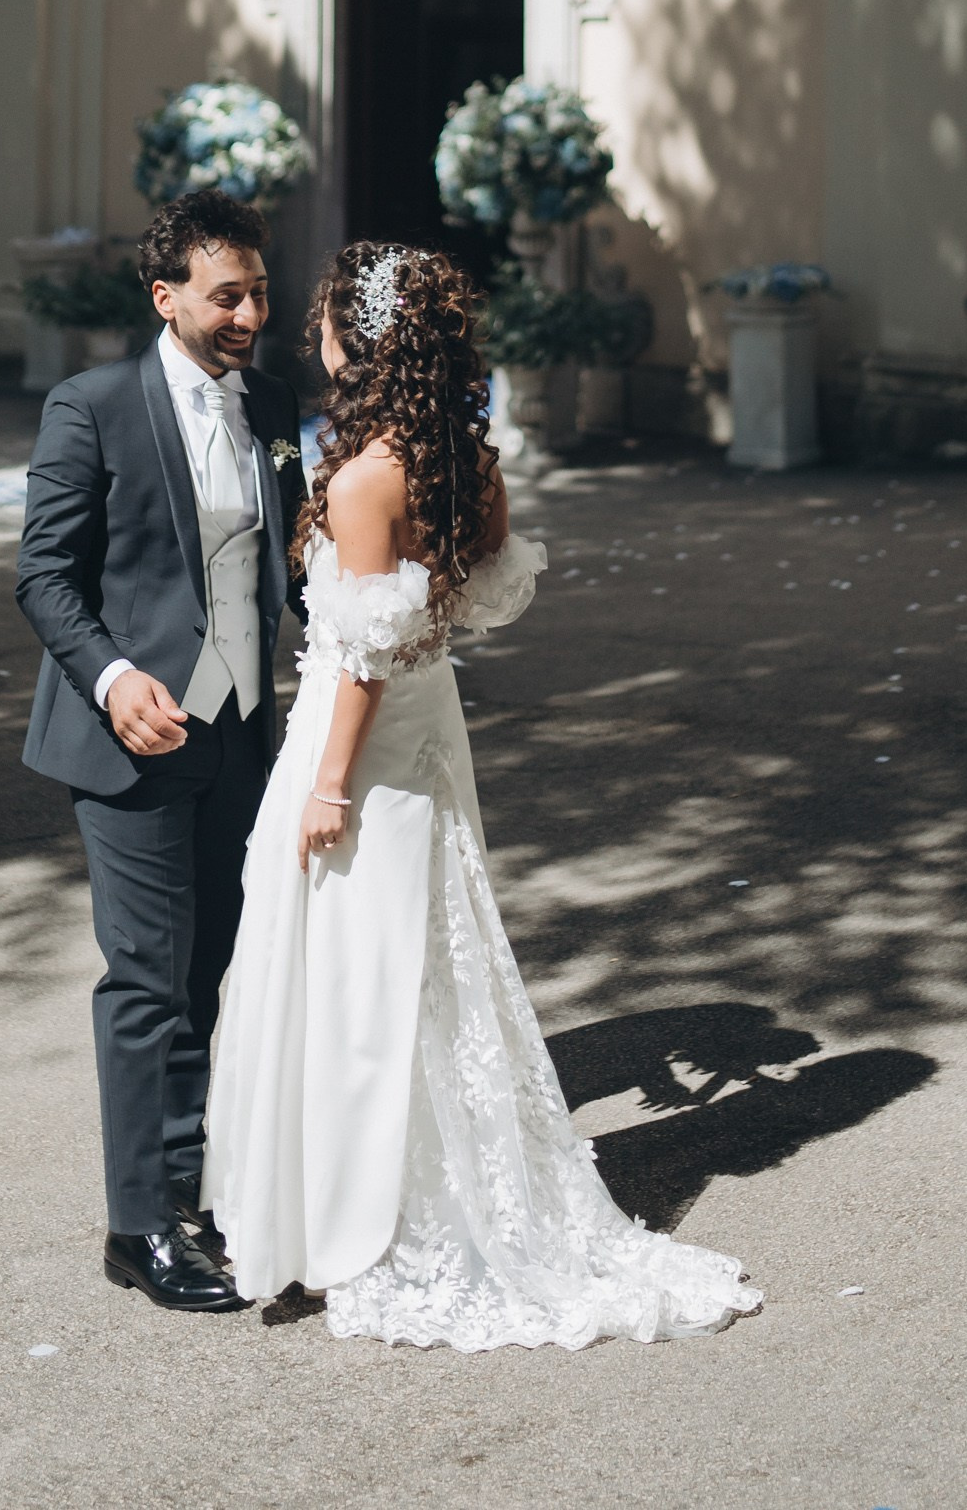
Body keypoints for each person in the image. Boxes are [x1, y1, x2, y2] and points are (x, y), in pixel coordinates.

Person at [203, 239, 761, 1349]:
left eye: (319, 319)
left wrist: (323, 786)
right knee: (422, 965)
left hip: (360, 746)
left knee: (361, 978)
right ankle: (366, 1199)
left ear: (356, 340)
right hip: (431, 729)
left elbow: (359, 656)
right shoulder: (462, 459)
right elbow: (482, 596)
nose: (306, 334)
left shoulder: (364, 478)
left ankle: (361, 1218)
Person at [14, 189, 305, 1314]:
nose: (248, 313)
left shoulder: (269, 401)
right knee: (145, 978)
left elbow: (280, 560)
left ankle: (187, 1188)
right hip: (128, 738)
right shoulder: (91, 406)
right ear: (165, 296)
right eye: (225, 294)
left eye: (258, 292)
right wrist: (112, 675)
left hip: (238, 731)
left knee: (206, 969)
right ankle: (138, 1225)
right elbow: (44, 574)